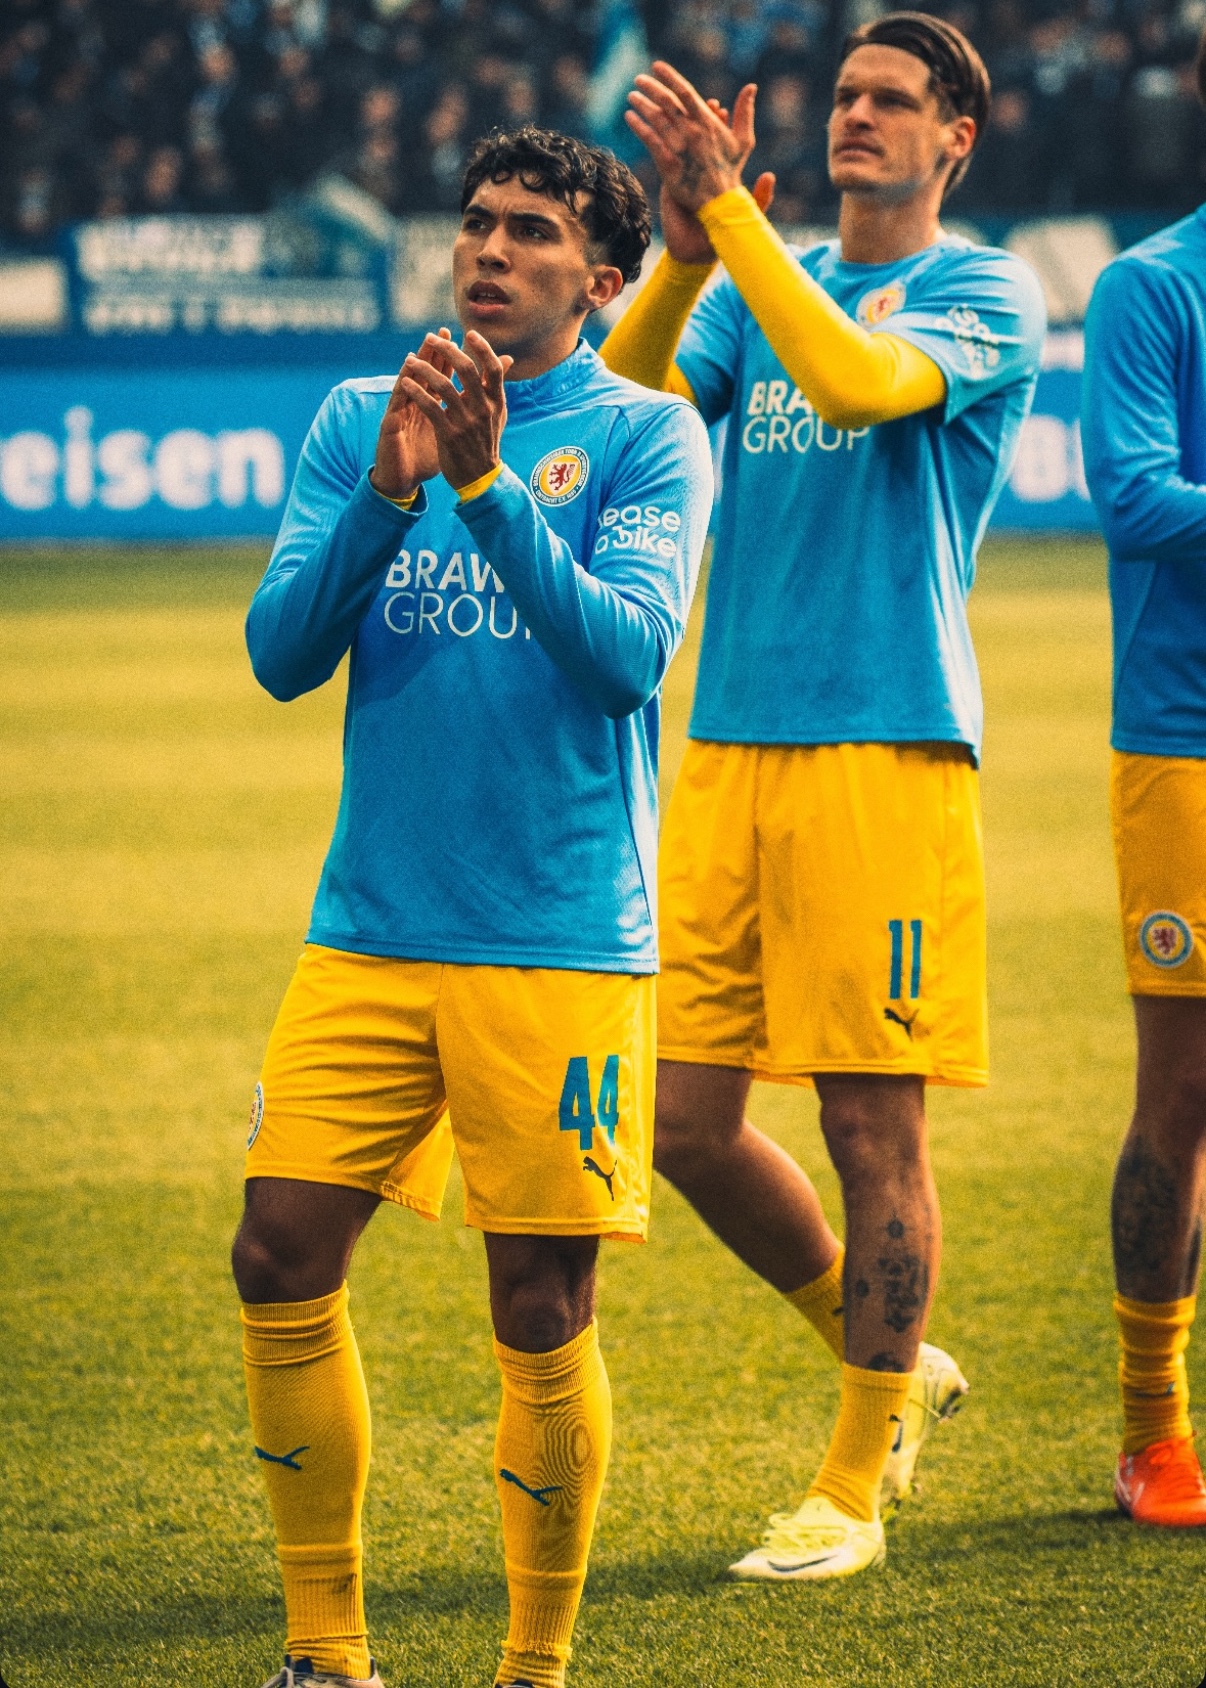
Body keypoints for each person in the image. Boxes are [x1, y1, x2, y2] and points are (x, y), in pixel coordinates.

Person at [232, 125, 712, 1688]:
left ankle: (532, 1669)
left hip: (555, 940)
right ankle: (326, 1654)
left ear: (605, 278)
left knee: (539, 1300)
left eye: (531, 231)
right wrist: (387, 493)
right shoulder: (354, 417)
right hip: (367, 929)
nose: (491, 250)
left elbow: (623, 660)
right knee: (277, 1252)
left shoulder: (647, 437)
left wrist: (488, 487)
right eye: (478, 223)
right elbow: (281, 655)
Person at [601, 12, 1045, 1579]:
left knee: (869, 1126)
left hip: (883, 749)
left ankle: (851, 1488)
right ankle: (895, 1365)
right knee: (679, 1123)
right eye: (845, 94)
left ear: (953, 138)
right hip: (728, 742)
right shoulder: (749, 272)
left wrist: (730, 222)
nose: (856, 116)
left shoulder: (985, 291)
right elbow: (627, 398)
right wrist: (679, 258)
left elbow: (853, 385)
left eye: (891, 100)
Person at [1082, 26, 1206, 1531]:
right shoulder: (1152, 285)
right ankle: (1151, 1424)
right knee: (1182, 1089)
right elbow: (1130, 497)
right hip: (1188, 741)